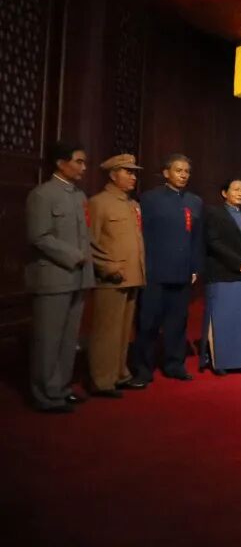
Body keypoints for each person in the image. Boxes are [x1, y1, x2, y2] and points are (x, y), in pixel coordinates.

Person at [25, 141, 95, 413]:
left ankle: (61, 388)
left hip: (78, 277)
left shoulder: (79, 195)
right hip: (53, 277)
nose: (83, 167)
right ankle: (45, 395)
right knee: (48, 341)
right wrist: (74, 255)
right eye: (79, 161)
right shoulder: (42, 195)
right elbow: (39, 236)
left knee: (68, 339)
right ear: (60, 163)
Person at [134, 153, 203, 384]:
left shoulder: (195, 201)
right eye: (178, 170)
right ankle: (143, 368)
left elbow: (197, 238)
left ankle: (175, 365)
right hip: (154, 271)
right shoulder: (149, 199)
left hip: (182, 272)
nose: (183, 175)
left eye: (187, 171)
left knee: (177, 323)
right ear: (166, 173)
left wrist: (195, 267)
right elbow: (140, 235)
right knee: (148, 323)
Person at [88, 154, 146, 398]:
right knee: (106, 332)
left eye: (134, 172)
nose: (133, 177)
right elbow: (89, 241)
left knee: (123, 331)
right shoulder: (98, 203)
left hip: (132, 274)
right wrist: (106, 267)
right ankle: (102, 380)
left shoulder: (132, 204)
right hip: (111, 277)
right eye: (128, 172)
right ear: (113, 175)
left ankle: (120, 373)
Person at [200, 178, 241, 375]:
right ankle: (220, 362)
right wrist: (238, 262)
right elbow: (213, 242)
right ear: (224, 193)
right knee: (222, 319)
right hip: (222, 272)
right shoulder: (214, 213)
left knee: (240, 320)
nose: (240, 193)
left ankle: (240, 361)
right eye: (236, 189)